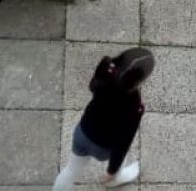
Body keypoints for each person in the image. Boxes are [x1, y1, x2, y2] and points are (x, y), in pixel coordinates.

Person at [51, 47, 155, 190]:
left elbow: (92, 86)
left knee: (71, 170)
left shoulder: (106, 73)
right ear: (139, 80)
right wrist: (112, 169)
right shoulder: (134, 105)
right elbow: (123, 142)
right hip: (102, 147)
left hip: (82, 132)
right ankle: (114, 178)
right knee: (122, 156)